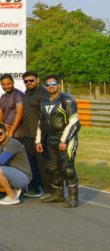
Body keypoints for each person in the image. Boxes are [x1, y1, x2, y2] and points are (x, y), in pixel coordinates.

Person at [36, 75, 80, 207]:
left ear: (59, 85)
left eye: (53, 83)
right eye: (48, 84)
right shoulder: (44, 102)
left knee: (67, 168)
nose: (51, 86)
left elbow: (74, 122)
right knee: (52, 168)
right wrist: (38, 141)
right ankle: (58, 195)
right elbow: (41, 123)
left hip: (66, 139)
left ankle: (73, 198)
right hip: (50, 139)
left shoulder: (67, 100)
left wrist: (64, 141)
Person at [20, 71, 50, 197]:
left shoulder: (44, 94)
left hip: (39, 135)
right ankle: (34, 188)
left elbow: (45, 117)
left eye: (31, 80)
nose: (29, 83)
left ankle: (49, 191)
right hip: (27, 134)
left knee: (42, 164)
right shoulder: (27, 93)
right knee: (31, 164)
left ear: (37, 79)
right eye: (26, 81)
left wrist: (41, 137)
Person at [0, 74, 25, 144]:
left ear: (13, 82)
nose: (6, 86)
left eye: (8, 84)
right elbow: (0, 112)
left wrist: (11, 131)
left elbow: (19, 114)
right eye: (3, 84)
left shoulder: (18, 95)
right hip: (5, 131)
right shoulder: (3, 96)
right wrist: (2, 124)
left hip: (17, 133)